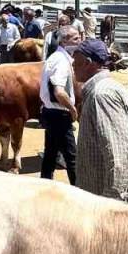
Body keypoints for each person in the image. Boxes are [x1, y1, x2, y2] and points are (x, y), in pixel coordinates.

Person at [71, 40, 128, 206]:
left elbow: (119, 159)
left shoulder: (102, 95)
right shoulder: (110, 88)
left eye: (76, 61)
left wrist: (111, 207)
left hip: (105, 205)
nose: (73, 65)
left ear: (88, 63)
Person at [39, 25, 82, 182]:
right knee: (72, 157)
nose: (80, 41)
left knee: (50, 153)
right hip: (59, 114)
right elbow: (58, 91)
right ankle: (77, 189)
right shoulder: (61, 62)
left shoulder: (55, 57)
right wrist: (72, 109)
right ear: (64, 41)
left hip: (50, 112)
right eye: (76, 39)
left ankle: (45, 183)